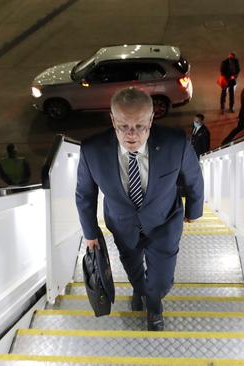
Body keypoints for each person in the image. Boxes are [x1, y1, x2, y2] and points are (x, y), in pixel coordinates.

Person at [75, 87, 204, 331]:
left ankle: (154, 304)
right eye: (123, 126)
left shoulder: (176, 143)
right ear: (112, 119)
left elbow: (194, 177)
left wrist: (193, 211)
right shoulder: (92, 150)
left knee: (162, 280)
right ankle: (139, 290)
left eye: (139, 126)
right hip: (122, 223)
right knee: (132, 265)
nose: (131, 135)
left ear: (151, 119)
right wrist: (90, 234)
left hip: (164, 221)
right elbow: (85, 194)